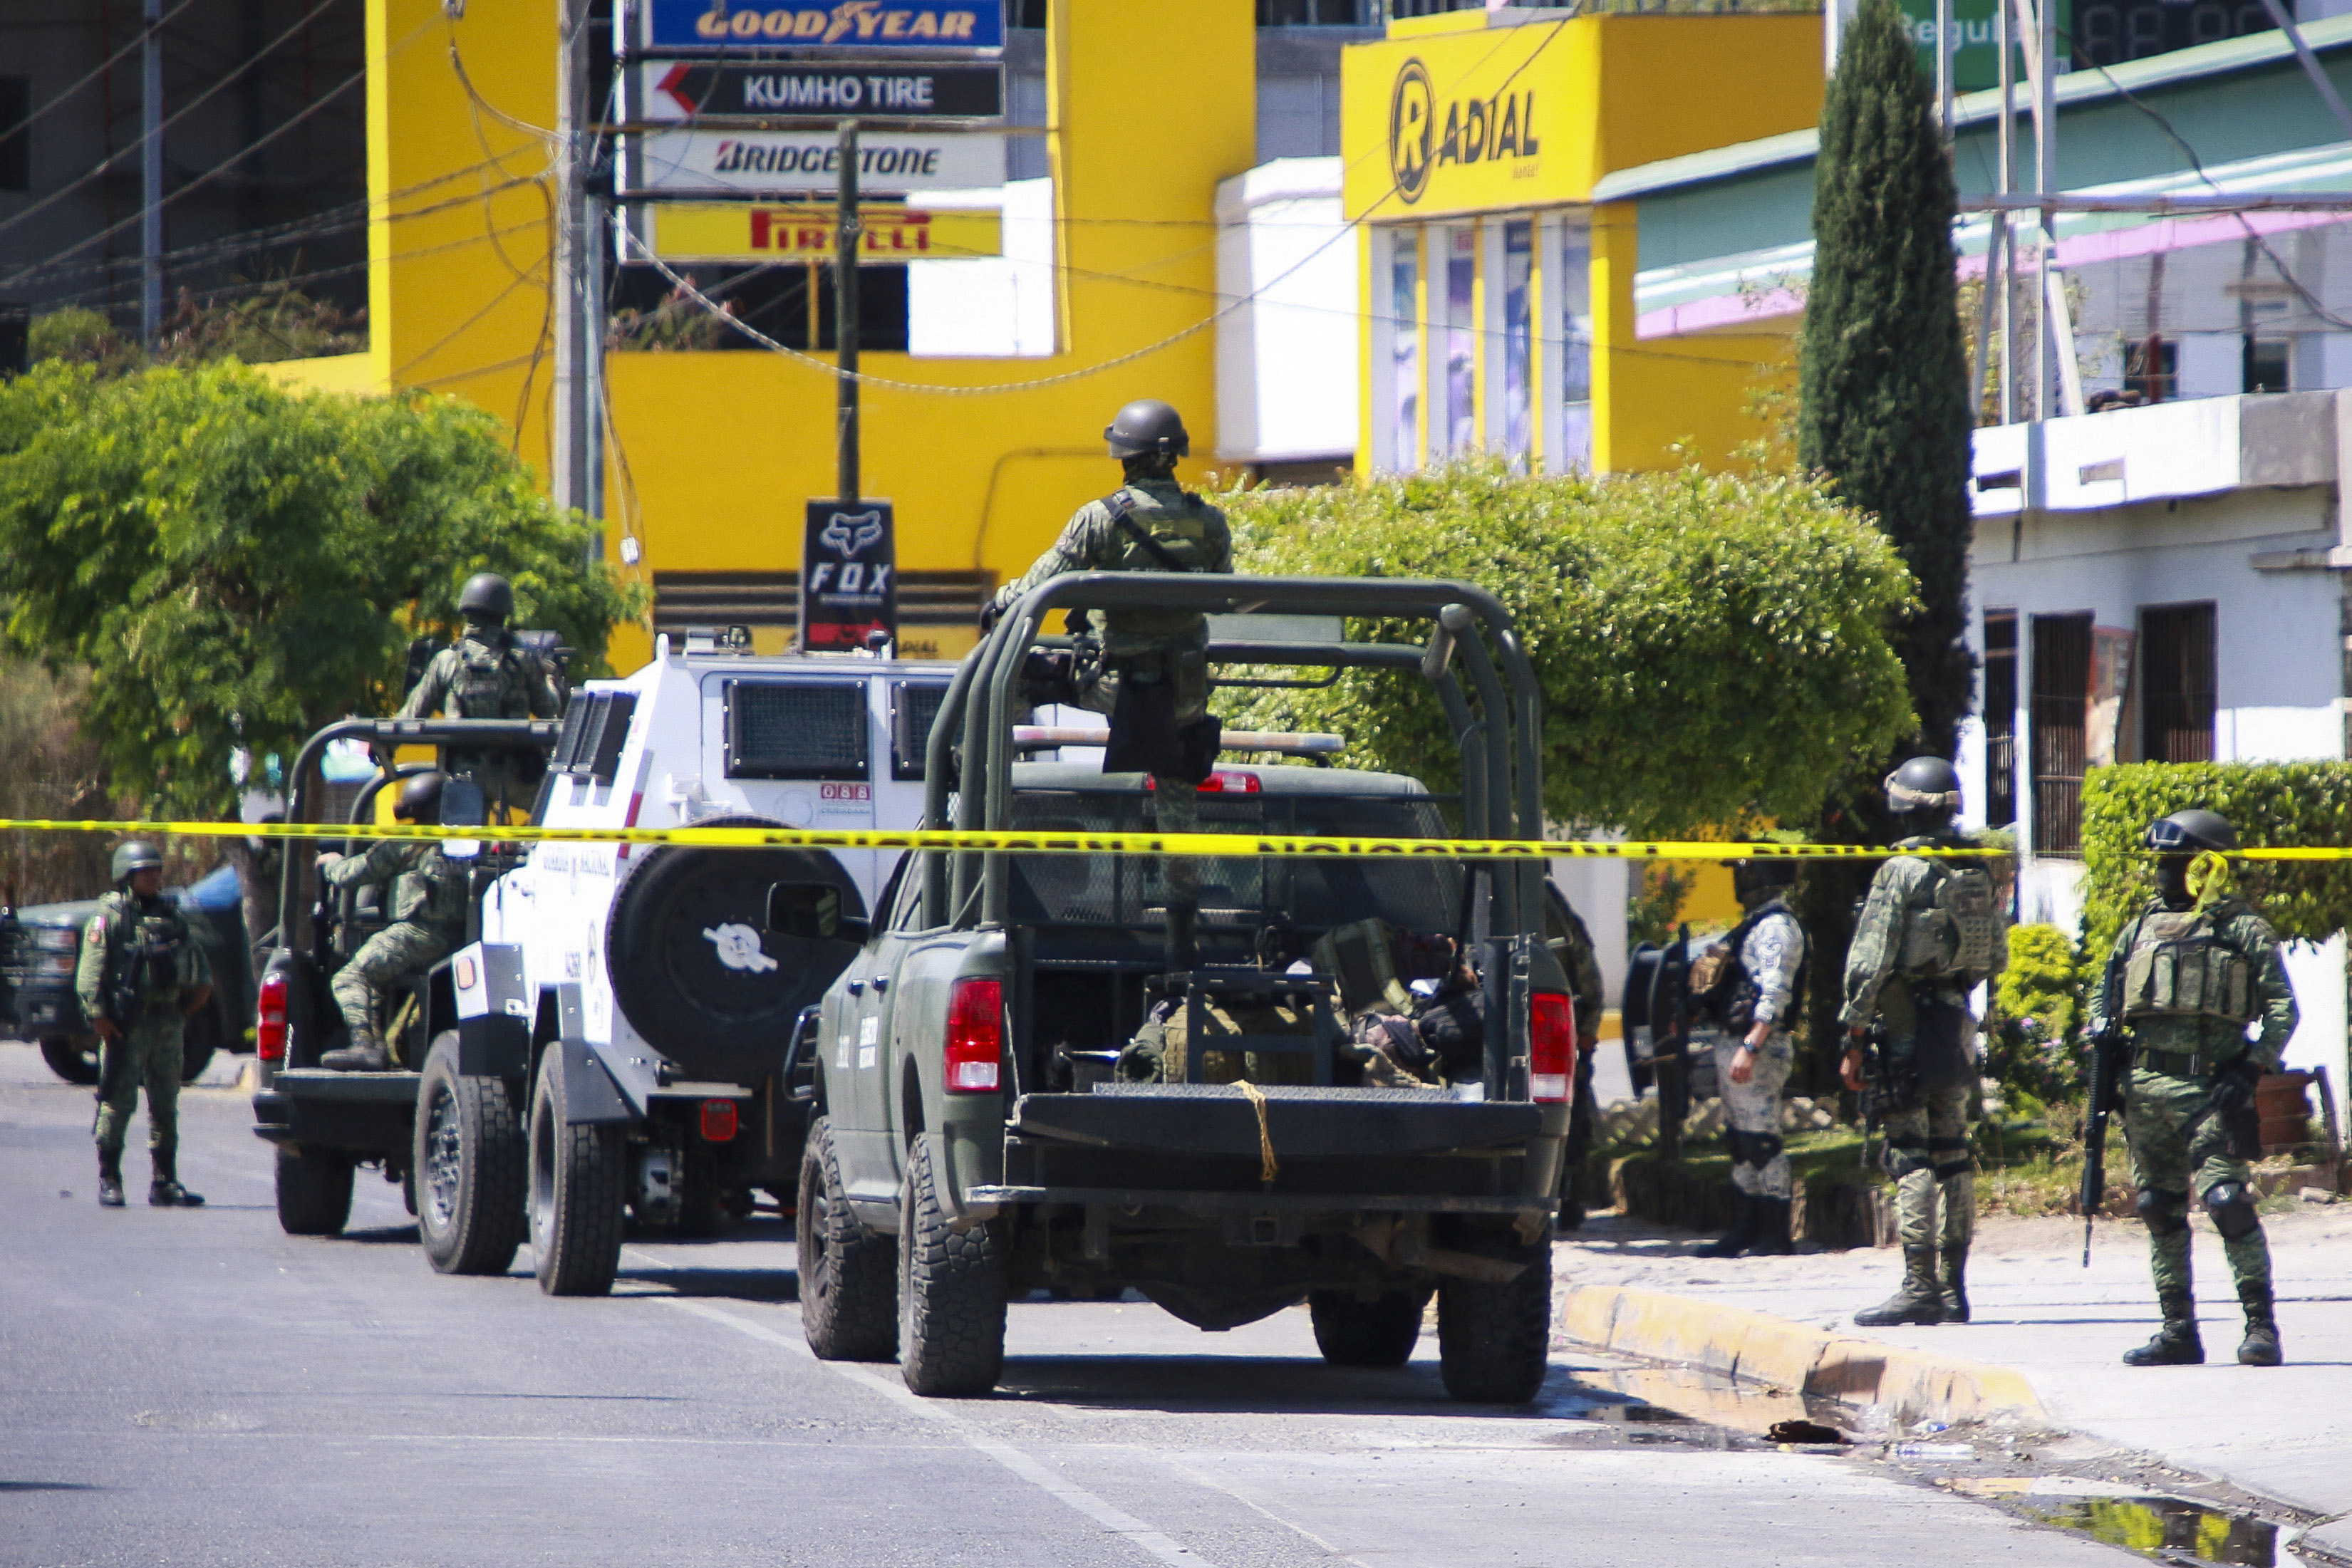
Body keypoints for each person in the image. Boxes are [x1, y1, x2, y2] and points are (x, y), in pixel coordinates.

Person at [981, 400, 1232, 970]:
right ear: (1176, 456)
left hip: (1117, 686)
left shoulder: (1097, 518)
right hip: (1185, 694)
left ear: (1123, 456)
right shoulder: (1209, 520)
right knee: (1177, 792)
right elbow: (1224, 593)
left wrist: (996, 602)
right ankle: (1180, 939)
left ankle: (977, 786)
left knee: (1017, 675)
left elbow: (1038, 585)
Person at [2088, 809, 2297, 1368]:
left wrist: (2252, 1068)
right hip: (2145, 1087)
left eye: (2175, 862)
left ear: (2205, 865)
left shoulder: (2240, 927)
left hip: (2211, 1088)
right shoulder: (2138, 927)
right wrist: (2100, 1040)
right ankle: (2177, 1329)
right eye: (2160, 862)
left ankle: (2261, 1327)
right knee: (2157, 1205)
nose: (2162, 873)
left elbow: (2282, 1009)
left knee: (2226, 1203)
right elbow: (2103, 990)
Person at [1840, 757, 2007, 1325]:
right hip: (1955, 1024)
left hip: (1906, 1025)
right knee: (1954, 1153)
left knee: (1909, 1153)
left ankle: (1918, 1285)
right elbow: (1995, 955)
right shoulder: (1975, 869)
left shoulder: (1902, 870)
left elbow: (1869, 960)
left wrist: (1855, 1031)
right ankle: (1955, 1289)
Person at [77, 841, 213, 1208]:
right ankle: (110, 1178)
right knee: (117, 1102)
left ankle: (164, 1181)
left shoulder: (172, 917)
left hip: (167, 1022)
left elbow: (199, 968)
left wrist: (189, 1005)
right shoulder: (112, 917)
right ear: (127, 875)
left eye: (156, 871)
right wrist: (99, 1016)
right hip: (127, 1025)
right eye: (144, 872)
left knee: (166, 1103)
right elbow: (91, 971)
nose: (153, 877)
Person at [316, 772, 471, 1071]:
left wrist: (330, 864)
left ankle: (365, 1046)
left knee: (351, 977)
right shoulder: (470, 839)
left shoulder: (408, 842)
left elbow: (353, 874)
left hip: (418, 935)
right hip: (463, 939)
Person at [1693, 856, 1808, 1258]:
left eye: (1744, 871)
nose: (1738, 880)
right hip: (1736, 1042)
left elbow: (1776, 991)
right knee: (1740, 1141)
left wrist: (1751, 1045)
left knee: (1762, 1141)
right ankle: (1746, 1227)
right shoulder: (1755, 923)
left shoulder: (1777, 926)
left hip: (1759, 1047)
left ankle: (1776, 1232)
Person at [398, 571, 561, 811]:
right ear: (503, 613)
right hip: (518, 777)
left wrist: (383, 748)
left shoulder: (447, 660)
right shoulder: (523, 659)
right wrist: (553, 683)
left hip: (463, 777)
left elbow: (412, 713)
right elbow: (548, 708)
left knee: (455, 842)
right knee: (553, 809)